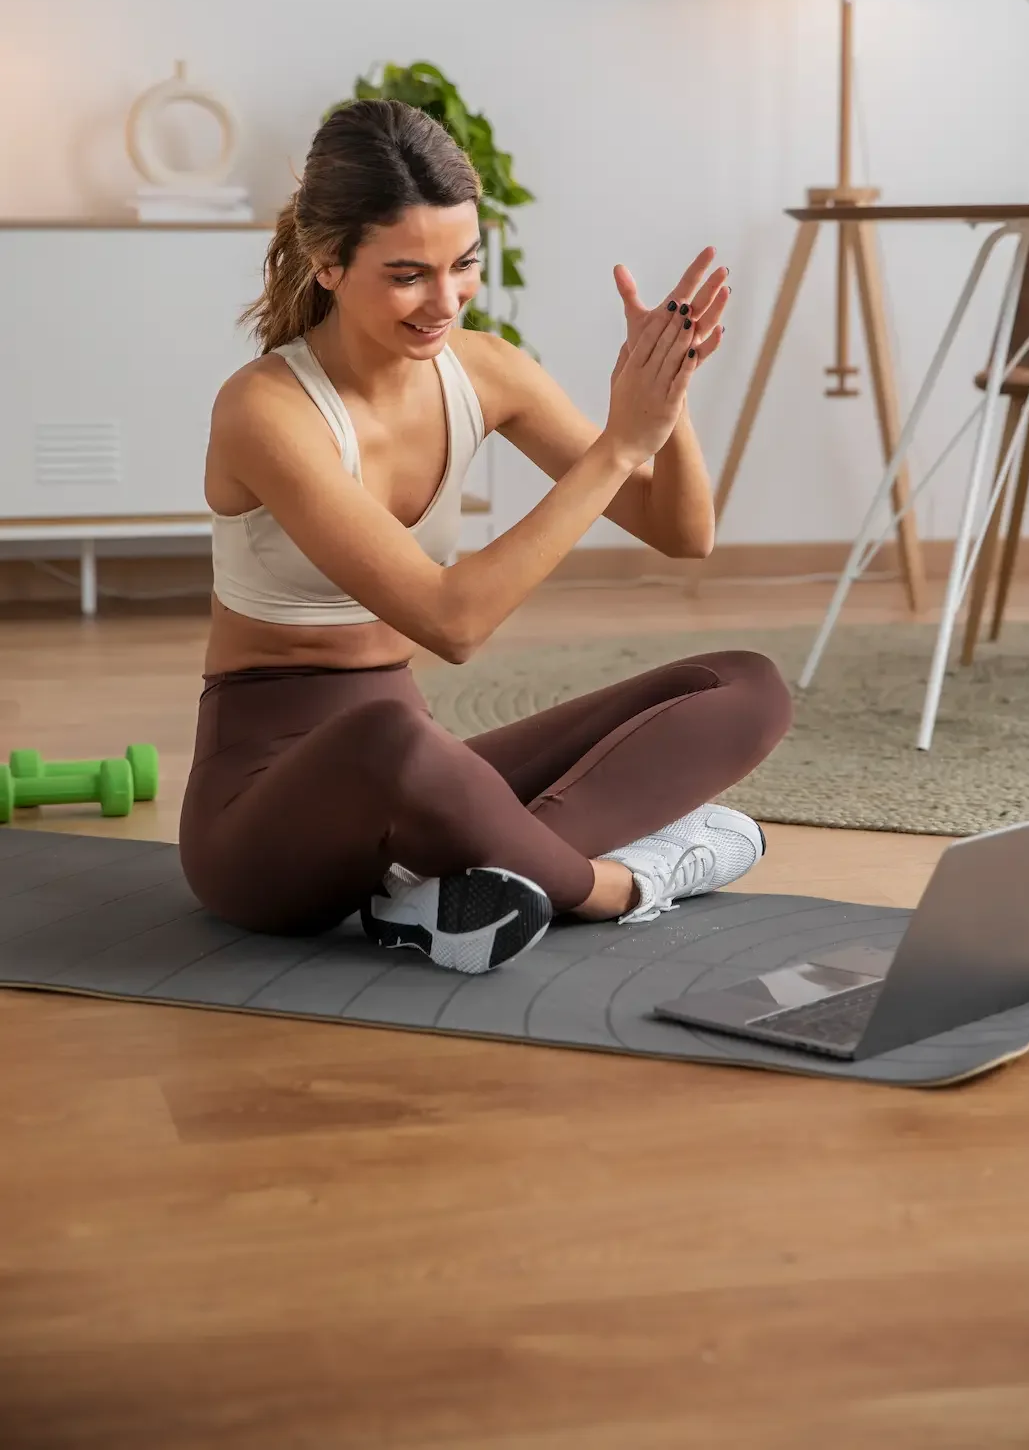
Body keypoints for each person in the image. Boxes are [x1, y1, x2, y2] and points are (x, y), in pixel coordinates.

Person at [180, 100, 793, 974]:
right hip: (262, 821)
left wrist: (665, 402)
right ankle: (618, 886)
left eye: (464, 263)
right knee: (390, 739)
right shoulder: (267, 410)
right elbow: (452, 622)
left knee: (746, 685)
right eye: (406, 274)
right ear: (327, 264)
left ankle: (468, 877)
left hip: (421, 778)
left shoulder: (485, 368)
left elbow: (681, 531)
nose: (445, 300)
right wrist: (617, 445)